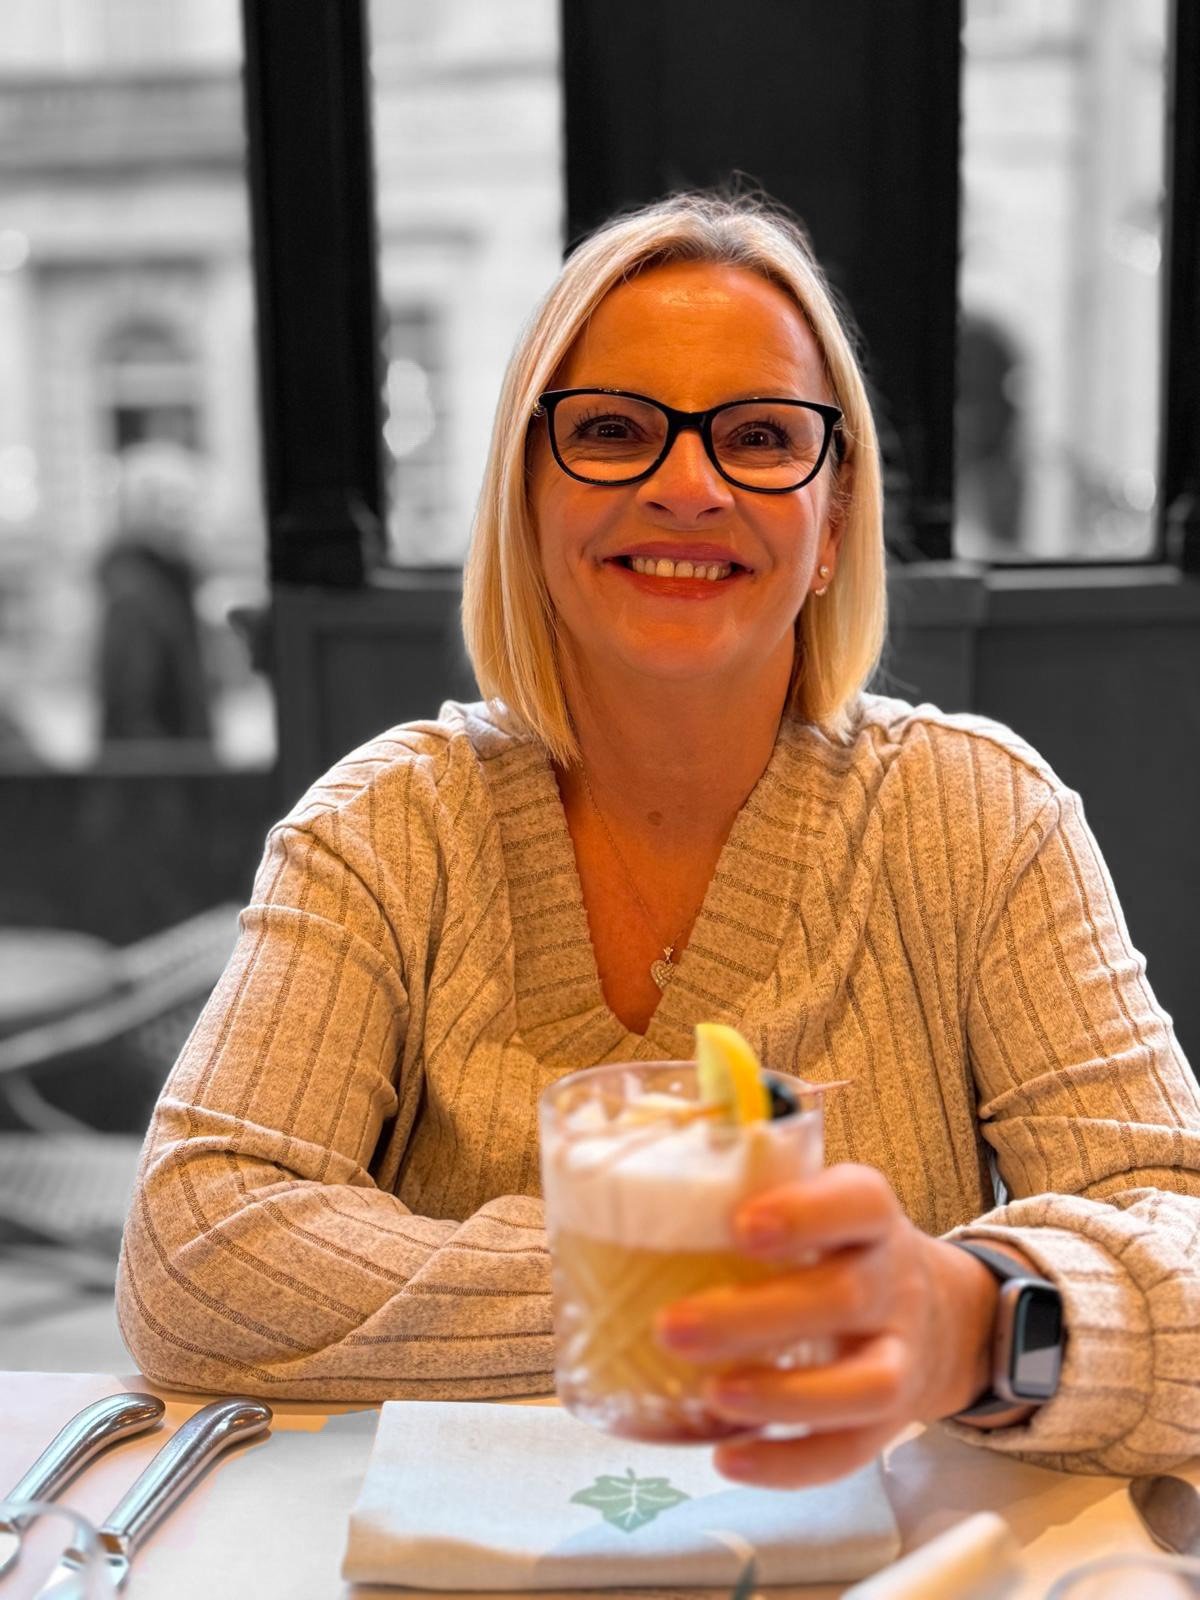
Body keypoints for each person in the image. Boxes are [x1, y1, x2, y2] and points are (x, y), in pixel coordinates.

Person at [117, 191, 1200, 1487]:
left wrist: (976, 1322)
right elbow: (192, 1253)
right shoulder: (385, 826)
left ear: (833, 518)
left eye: (759, 436)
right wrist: (710, 1294)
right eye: (614, 430)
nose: (687, 485)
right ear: (527, 494)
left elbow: (1179, 1230)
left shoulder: (977, 815)